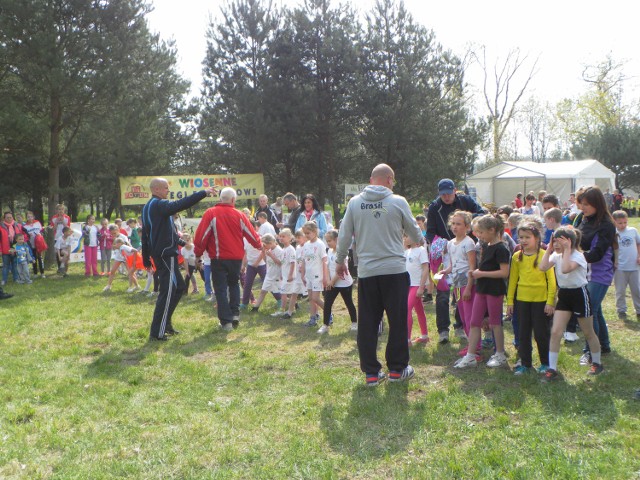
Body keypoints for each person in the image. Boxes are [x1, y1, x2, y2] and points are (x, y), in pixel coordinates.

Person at [336, 163, 422, 386]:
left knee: (368, 322)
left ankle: (371, 374)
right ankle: (397, 370)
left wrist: (339, 261)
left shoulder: (354, 203)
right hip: (394, 270)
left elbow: (344, 235)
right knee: (397, 321)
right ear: (389, 180)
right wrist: (412, 239)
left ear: (371, 179)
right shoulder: (398, 201)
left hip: (367, 272)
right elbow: (415, 233)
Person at [142, 177, 215, 340]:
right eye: (166, 188)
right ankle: (157, 332)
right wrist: (203, 193)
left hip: (163, 253)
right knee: (167, 292)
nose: (168, 190)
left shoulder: (148, 206)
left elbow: (152, 234)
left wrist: (182, 243)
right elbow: (181, 204)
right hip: (165, 254)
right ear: (157, 190)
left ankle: (165, 324)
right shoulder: (159, 205)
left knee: (179, 287)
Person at [539, 227, 604, 381]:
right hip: (565, 295)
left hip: (579, 295)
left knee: (588, 332)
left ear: (569, 242)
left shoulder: (578, 256)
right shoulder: (556, 254)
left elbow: (566, 269)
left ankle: (597, 363)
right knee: (555, 332)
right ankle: (552, 369)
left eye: (558, 241)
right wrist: (548, 250)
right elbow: (542, 267)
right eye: (553, 241)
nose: (555, 244)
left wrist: (567, 249)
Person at [194, 186, 261, 332]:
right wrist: (259, 245)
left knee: (220, 289)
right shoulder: (240, 215)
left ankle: (226, 322)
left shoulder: (211, 213)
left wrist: (198, 254)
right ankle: (235, 314)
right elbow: (251, 233)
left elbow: (201, 236)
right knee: (234, 284)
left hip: (219, 258)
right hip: (236, 258)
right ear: (233, 200)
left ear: (220, 199)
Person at [426, 178, 484, 343]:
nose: (446, 197)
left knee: (461, 291)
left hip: (464, 251)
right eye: (442, 194)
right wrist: (440, 244)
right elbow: (429, 232)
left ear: (455, 190)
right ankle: (443, 330)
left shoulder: (465, 200)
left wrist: (467, 220)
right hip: (444, 252)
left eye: (449, 193)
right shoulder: (434, 207)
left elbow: (482, 213)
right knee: (442, 293)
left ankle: (460, 325)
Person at [454, 215, 510, 369]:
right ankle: (471, 355)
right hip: (481, 289)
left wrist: (481, 274)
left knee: (495, 323)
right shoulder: (486, 246)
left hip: (494, 290)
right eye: (477, 232)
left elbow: (504, 272)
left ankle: (500, 354)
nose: (479, 236)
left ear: (492, 230)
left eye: (481, 232)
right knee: (474, 322)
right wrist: (478, 272)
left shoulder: (501, 248)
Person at [506, 222, 556, 375]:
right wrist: (510, 301)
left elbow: (552, 281)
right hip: (522, 300)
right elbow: (513, 280)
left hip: (541, 301)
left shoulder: (544, 255)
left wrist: (550, 302)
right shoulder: (516, 257)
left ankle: (545, 363)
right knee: (523, 333)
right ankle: (526, 364)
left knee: (541, 333)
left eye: (528, 237)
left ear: (537, 238)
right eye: (521, 237)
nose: (523, 240)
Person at [575, 186, 616, 363]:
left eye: (586, 204)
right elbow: (577, 239)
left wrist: (573, 255)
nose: (582, 208)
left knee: (588, 311)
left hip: (600, 273)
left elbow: (597, 253)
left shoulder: (606, 224)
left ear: (597, 204)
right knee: (596, 310)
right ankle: (604, 345)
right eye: (581, 204)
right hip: (586, 271)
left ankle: (590, 351)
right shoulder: (583, 219)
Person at [439, 211, 477, 357]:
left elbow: (471, 267)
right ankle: (470, 345)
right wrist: (446, 271)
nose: (455, 227)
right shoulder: (450, 243)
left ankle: (475, 347)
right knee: (461, 313)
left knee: (468, 316)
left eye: (458, 224)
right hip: (457, 285)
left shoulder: (469, 243)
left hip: (466, 284)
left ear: (467, 226)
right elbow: (453, 263)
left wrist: (468, 288)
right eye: (453, 223)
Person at [319, 229, 357, 334]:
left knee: (349, 303)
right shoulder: (330, 251)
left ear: (337, 239)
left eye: (330, 240)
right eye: (326, 241)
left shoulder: (342, 252)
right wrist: (327, 280)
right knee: (327, 304)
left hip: (344, 283)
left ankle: (354, 323)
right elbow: (327, 266)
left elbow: (340, 270)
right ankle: (325, 325)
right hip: (332, 283)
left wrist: (332, 281)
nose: (328, 243)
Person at [612, 210, 640, 320]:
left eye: (625, 222)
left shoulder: (633, 231)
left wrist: (638, 256)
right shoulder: (613, 233)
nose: (623, 225)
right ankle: (621, 309)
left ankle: (638, 309)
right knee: (620, 290)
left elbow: (638, 243)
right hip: (620, 267)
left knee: (637, 289)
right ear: (614, 222)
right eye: (620, 223)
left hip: (634, 266)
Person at [299, 221, 328, 327]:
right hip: (309, 275)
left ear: (315, 231)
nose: (306, 235)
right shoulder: (306, 245)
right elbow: (304, 261)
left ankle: (329, 313)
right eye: (305, 233)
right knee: (311, 298)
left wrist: (325, 277)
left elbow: (325, 261)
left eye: (308, 233)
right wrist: (303, 274)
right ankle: (313, 317)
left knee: (316, 298)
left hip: (317, 275)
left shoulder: (320, 244)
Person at [403, 233, 429, 345]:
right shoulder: (407, 251)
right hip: (408, 285)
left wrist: (421, 287)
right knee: (419, 310)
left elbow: (425, 269)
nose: (405, 238)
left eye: (406, 236)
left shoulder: (421, 250)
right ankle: (424, 336)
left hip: (417, 285)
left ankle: (407, 339)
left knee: (406, 309)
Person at [272, 228, 298, 319]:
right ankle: (293, 308)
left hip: (289, 276)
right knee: (288, 293)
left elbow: (293, 262)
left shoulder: (291, 249)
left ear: (290, 237)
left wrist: (290, 274)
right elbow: (282, 263)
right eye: (280, 237)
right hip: (284, 275)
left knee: (284, 293)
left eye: (283, 236)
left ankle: (282, 309)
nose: (281, 238)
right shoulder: (284, 249)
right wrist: (281, 274)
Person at [23, 211, 46, 279]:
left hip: (39, 243)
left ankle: (42, 273)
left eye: (31, 216)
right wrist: (28, 235)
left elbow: (42, 231)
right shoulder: (25, 226)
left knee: (40, 258)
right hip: (31, 244)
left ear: (33, 217)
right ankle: (35, 273)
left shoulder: (37, 223)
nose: (30, 218)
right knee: (34, 258)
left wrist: (40, 235)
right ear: (26, 218)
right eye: (28, 217)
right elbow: (25, 236)